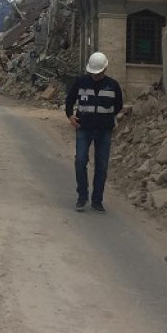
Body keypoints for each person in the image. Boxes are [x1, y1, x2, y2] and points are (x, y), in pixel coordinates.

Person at [65, 51, 123, 213]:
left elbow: (118, 105)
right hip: (83, 128)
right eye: (93, 73)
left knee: (102, 165)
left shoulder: (113, 85)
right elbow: (69, 100)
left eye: (98, 73)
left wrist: (107, 118)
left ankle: (97, 201)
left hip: (104, 131)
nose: (95, 76)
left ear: (105, 69)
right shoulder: (81, 82)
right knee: (80, 161)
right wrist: (70, 116)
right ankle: (82, 197)